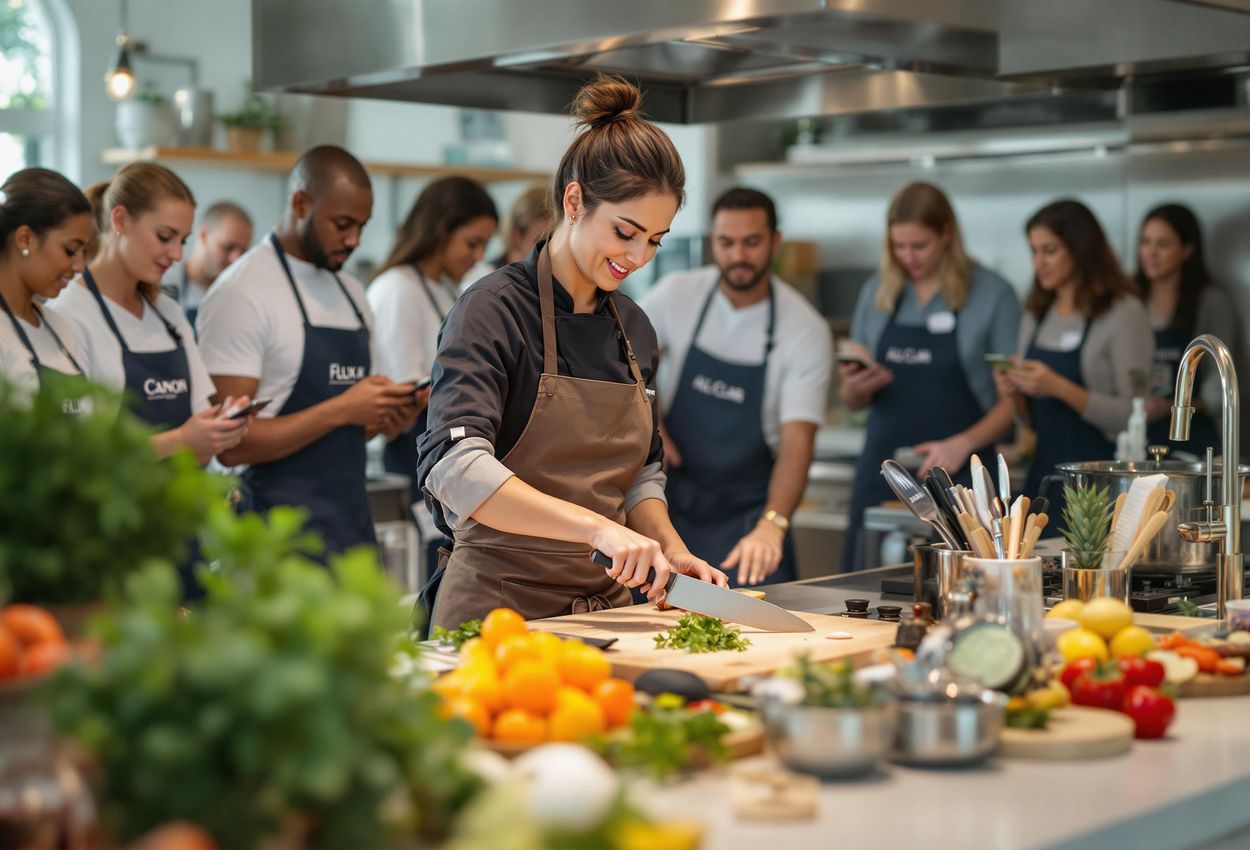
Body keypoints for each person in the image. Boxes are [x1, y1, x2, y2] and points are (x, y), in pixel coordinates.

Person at [416, 76, 728, 629]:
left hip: (604, 617)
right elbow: (456, 469)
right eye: (626, 231)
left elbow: (640, 476)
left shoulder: (634, 329)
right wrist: (597, 529)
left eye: (655, 240)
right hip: (494, 618)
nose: (637, 257)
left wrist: (670, 548)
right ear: (575, 200)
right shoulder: (490, 311)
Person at [197, 145, 419, 556]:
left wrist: (388, 416)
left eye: (362, 226)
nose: (353, 239)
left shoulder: (351, 292)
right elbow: (229, 446)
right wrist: (343, 408)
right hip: (272, 538)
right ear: (300, 203)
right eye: (342, 224)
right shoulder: (241, 292)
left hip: (350, 527)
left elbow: (346, 435)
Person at [638, 187, 832, 587]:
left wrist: (771, 527)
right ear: (713, 242)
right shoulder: (678, 294)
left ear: (775, 243)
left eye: (752, 242)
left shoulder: (805, 329)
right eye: (727, 243)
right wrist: (651, 421)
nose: (739, 256)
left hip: (748, 521)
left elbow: (798, 441)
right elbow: (619, 360)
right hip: (671, 509)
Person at [842, 182, 1020, 570]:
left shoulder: (992, 295)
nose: (909, 257)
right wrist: (855, 389)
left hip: (962, 479)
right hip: (885, 472)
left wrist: (963, 444)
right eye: (899, 247)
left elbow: (1015, 404)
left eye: (919, 245)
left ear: (946, 234)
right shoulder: (879, 292)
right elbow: (852, 399)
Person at [48, 163, 250, 463]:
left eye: (182, 241)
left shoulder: (167, 313)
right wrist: (181, 440)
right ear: (120, 220)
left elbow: (200, 435)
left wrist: (221, 427)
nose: (177, 255)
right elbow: (79, 456)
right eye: (165, 237)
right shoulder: (68, 316)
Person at [998, 199, 1153, 528]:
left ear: (1080, 249)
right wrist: (1014, 390)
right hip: (1044, 481)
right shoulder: (1036, 312)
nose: (1038, 262)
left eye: (1049, 250)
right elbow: (1027, 424)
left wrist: (1058, 387)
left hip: (1100, 490)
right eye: (1034, 251)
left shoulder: (1124, 312)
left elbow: (1135, 412)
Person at [368, 176, 498, 565]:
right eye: (471, 243)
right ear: (441, 231)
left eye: (484, 246)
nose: (477, 256)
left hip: (445, 458)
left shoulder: (443, 288)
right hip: (412, 456)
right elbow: (403, 389)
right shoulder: (396, 289)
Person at [1134, 203, 1239, 451]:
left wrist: (1173, 406)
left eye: (1163, 244)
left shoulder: (1211, 302)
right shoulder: (1130, 300)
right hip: (1138, 437)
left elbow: (1218, 389)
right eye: (1146, 242)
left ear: (1187, 250)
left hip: (1192, 441)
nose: (1151, 253)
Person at [0, 168, 93, 401]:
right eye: (70, 250)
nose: (79, 266)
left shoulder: (59, 327)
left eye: (84, 252)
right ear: (26, 239)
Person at [164, 201, 253, 326]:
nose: (236, 259)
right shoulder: (162, 283)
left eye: (243, 251)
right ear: (203, 236)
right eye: (228, 247)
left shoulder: (241, 299)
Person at [462, 184, 548, 288]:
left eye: (554, 241)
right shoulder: (484, 279)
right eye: (540, 241)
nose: (548, 249)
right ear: (517, 236)